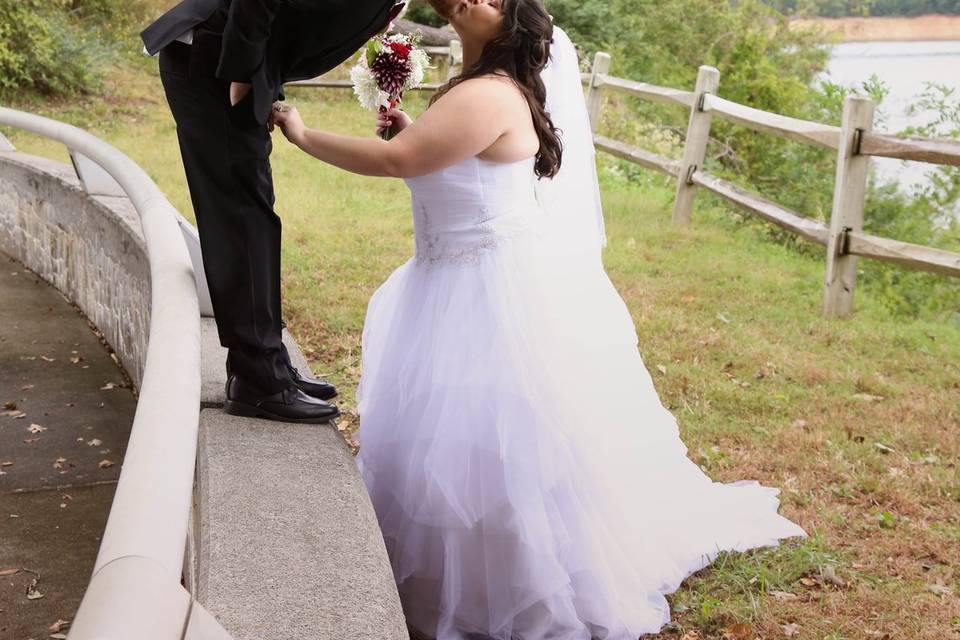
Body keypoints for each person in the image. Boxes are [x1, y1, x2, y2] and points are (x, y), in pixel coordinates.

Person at [272, 0, 808, 637]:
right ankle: (459, 570)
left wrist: (303, 135)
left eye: (496, 1)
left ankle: (512, 580)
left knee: (495, 442)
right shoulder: (478, 89)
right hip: (450, 274)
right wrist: (414, 127)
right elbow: (442, 161)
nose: (477, 1)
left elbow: (399, 162)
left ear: (512, 29)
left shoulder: (491, 94)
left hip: (486, 286)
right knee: (457, 440)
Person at [141, 0, 406, 423]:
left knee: (255, 211)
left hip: (233, 57)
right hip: (215, 60)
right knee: (242, 216)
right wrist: (243, 73)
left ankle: (267, 361)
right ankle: (258, 379)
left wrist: (262, 79)